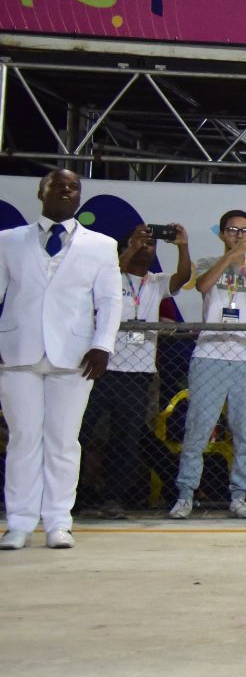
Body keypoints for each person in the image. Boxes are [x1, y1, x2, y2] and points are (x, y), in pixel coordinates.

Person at [0, 171, 121, 550]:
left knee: (64, 440)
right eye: (59, 186)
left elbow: (110, 300)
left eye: (74, 187)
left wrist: (103, 344)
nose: (68, 191)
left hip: (76, 355)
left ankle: (58, 521)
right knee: (23, 439)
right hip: (18, 352)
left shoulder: (101, 245)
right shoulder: (8, 241)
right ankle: (19, 522)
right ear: (42, 192)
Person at [170, 208, 246, 520]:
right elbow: (204, 286)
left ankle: (239, 495)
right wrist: (231, 256)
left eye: (245, 230)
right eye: (233, 230)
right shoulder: (209, 262)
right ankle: (185, 494)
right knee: (199, 428)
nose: (239, 235)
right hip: (210, 355)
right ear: (222, 234)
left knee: (245, 430)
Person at [79, 221, 192, 518]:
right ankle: (71, 496)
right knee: (81, 434)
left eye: (150, 244)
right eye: (140, 242)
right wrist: (130, 247)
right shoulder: (109, 276)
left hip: (139, 375)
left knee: (126, 440)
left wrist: (182, 245)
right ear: (126, 246)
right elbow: (109, 281)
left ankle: (113, 499)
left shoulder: (155, 282)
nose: (146, 247)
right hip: (100, 369)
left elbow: (183, 278)